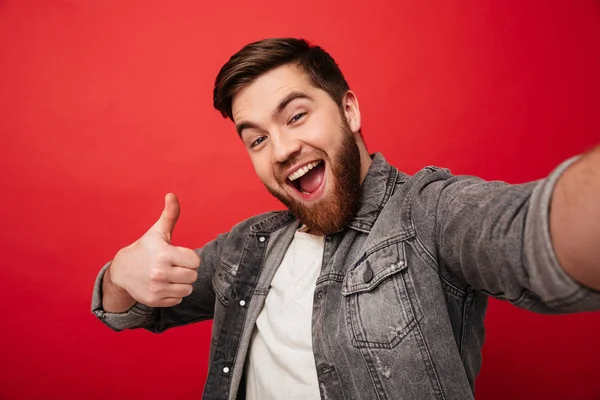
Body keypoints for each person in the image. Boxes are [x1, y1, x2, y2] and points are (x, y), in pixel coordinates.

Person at [91, 37, 600, 400]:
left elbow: (532, 230)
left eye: (296, 116)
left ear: (349, 110)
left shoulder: (429, 212)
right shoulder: (247, 247)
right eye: (257, 139)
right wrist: (121, 273)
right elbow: (134, 308)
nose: (283, 148)